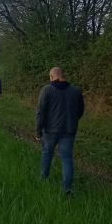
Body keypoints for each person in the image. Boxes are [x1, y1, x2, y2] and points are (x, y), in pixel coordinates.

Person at [36, 67, 85, 195]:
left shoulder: (47, 90)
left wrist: (38, 131)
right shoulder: (76, 91)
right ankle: (67, 188)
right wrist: (72, 121)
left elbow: (41, 112)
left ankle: (43, 179)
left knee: (47, 154)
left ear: (53, 76)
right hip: (69, 130)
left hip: (50, 130)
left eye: (50, 77)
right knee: (67, 158)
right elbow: (80, 111)